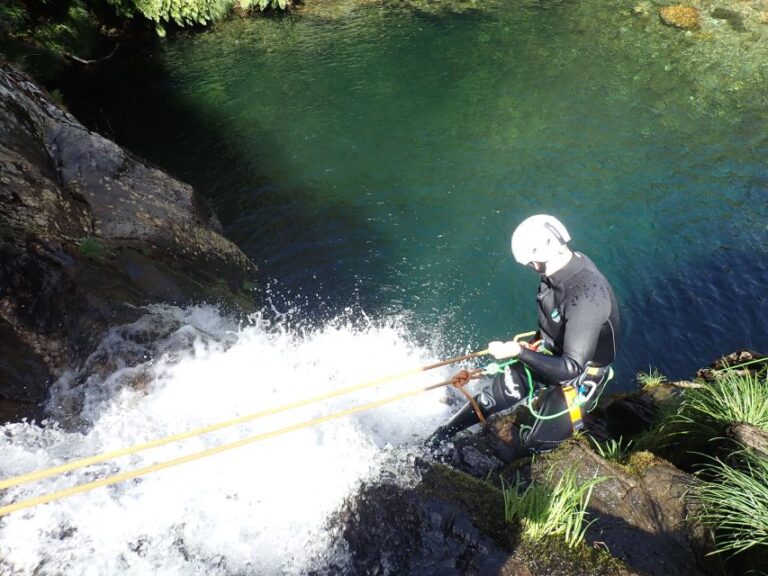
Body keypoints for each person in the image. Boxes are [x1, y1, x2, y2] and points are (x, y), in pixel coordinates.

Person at [429, 214, 620, 453]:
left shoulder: (586, 297)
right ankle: (436, 438)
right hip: (552, 352)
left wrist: (518, 351)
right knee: (488, 400)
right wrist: (529, 349)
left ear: (537, 260)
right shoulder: (561, 269)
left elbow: (572, 367)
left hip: (578, 375)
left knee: (535, 445)